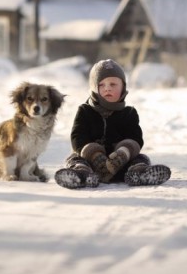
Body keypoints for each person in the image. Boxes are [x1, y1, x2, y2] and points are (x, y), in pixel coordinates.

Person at [54, 58, 171, 189]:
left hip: (121, 164)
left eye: (113, 85)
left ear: (123, 88)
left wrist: (124, 152)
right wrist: (94, 154)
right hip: (91, 164)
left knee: (141, 157)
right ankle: (82, 175)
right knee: (74, 158)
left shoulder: (129, 113)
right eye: (102, 85)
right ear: (94, 88)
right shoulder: (85, 111)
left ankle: (138, 173)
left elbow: (136, 138)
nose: (107, 89)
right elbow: (77, 137)